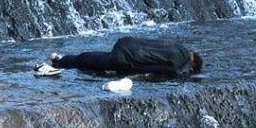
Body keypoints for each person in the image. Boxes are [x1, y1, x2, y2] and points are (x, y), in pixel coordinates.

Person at [36, 36, 203, 78]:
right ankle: (58, 60)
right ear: (191, 65)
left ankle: (60, 59)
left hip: (126, 42)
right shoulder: (177, 66)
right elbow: (151, 68)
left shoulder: (177, 45)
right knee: (93, 63)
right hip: (124, 59)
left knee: (90, 59)